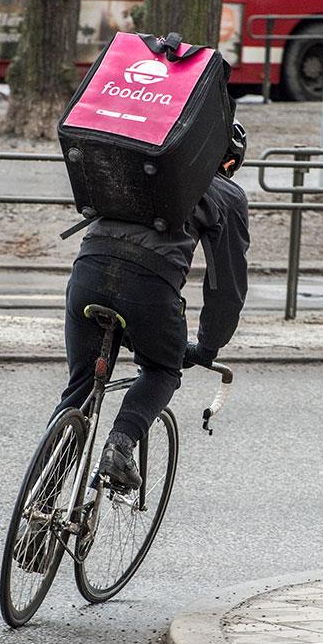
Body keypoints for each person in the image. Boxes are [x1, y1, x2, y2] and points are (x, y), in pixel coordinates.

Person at [53, 122, 250, 492]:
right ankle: (120, 446)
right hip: (150, 288)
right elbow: (226, 287)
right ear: (229, 161)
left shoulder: (139, 163)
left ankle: (41, 502)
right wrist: (208, 347)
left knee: (79, 389)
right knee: (162, 370)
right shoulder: (226, 193)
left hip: (88, 273)